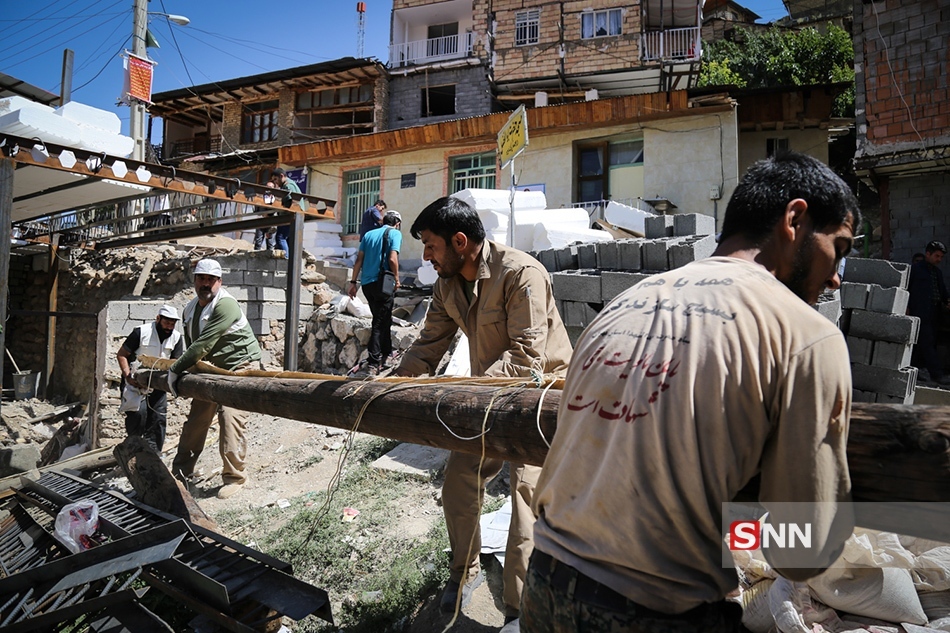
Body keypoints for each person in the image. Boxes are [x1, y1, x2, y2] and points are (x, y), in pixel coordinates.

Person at [523, 151, 860, 633]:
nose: (835, 276)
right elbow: (801, 552)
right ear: (795, 219)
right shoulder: (807, 334)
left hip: (544, 587)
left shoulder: (623, 305)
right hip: (655, 612)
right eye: (840, 247)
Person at [394, 196, 573, 632]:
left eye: (431, 246)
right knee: (458, 484)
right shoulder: (447, 285)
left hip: (541, 402)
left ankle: (518, 608)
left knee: (526, 499)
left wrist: (466, 393)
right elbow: (427, 345)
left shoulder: (521, 273)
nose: (427, 256)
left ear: (460, 241)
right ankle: (463, 571)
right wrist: (391, 387)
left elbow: (528, 356)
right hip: (488, 401)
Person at [168, 259, 263, 499]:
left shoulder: (226, 305)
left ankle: (235, 477)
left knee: (230, 417)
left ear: (219, 282)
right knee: (197, 421)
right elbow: (192, 343)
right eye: (202, 279)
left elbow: (203, 343)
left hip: (239, 367)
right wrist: (189, 371)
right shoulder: (190, 309)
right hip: (211, 369)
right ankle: (180, 472)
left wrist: (176, 369)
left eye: (211, 280)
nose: (206, 284)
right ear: (195, 280)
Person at [117, 304, 183, 452]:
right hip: (135, 383)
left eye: (172, 324)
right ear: (158, 319)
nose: (169, 327)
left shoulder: (177, 337)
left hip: (159, 385)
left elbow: (175, 362)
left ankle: (154, 455)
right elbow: (122, 354)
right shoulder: (141, 332)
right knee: (138, 416)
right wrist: (128, 376)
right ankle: (135, 452)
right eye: (166, 322)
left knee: (158, 419)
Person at [348, 210, 402, 376]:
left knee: (383, 318)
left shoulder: (369, 235)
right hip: (383, 284)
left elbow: (359, 260)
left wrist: (353, 282)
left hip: (367, 285)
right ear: (397, 223)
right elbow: (392, 259)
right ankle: (373, 362)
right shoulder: (395, 234)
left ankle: (387, 352)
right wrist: (397, 279)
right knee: (379, 322)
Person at [908, 240, 950, 384]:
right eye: (937, 256)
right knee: (927, 343)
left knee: (924, 345)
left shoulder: (937, 272)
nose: (939, 260)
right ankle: (937, 375)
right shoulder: (916, 270)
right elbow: (907, 290)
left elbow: (942, 291)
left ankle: (917, 370)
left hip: (934, 314)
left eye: (941, 257)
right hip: (920, 313)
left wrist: (947, 301)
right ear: (928, 254)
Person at [272, 168, 301, 259]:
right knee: (288, 240)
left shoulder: (288, 186)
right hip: (294, 217)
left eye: (275, 179)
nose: (275, 183)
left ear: (281, 176)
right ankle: (291, 261)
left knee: (280, 238)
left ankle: (286, 260)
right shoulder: (290, 184)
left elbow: (289, 202)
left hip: (289, 216)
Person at [253, 179, 278, 250]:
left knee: (270, 243)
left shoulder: (275, 198)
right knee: (258, 241)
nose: (268, 189)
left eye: (270, 187)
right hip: (261, 221)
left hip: (272, 222)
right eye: (267, 187)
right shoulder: (261, 197)